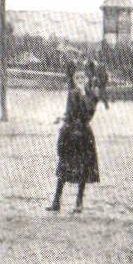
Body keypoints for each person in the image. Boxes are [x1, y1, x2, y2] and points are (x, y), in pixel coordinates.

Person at [47, 64, 99, 213]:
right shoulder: (72, 92)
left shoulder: (91, 95)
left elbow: (88, 114)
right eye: (77, 77)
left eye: (83, 77)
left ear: (88, 79)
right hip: (70, 134)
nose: (80, 80)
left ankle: (79, 202)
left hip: (83, 134)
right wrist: (63, 120)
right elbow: (70, 112)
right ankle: (56, 201)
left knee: (82, 169)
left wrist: (83, 95)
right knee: (63, 167)